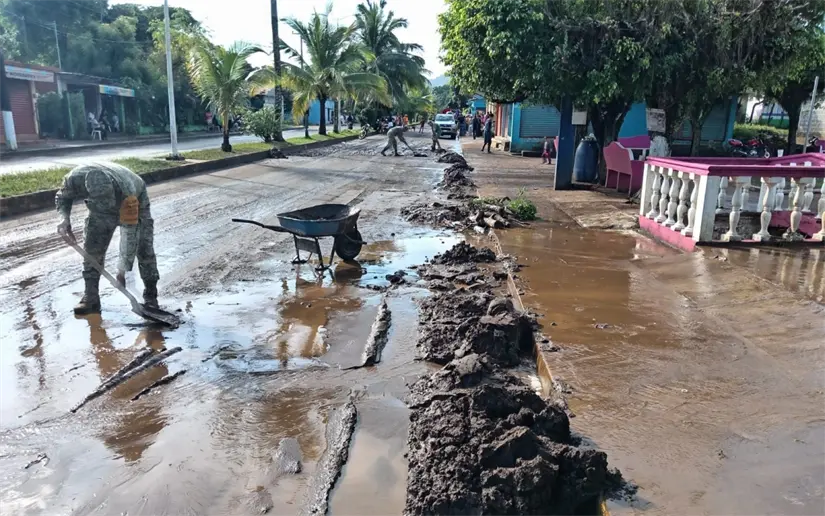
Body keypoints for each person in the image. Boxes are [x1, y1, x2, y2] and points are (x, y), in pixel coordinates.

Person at [55, 162, 159, 315]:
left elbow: (129, 235)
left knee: (143, 246)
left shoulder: (128, 192)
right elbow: (62, 197)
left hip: (136, 202)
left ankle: (150, 295)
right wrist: (64, 219)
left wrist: (121, 272)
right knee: (92, 249)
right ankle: (91, 298)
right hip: (98, 212)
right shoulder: (74, 179)